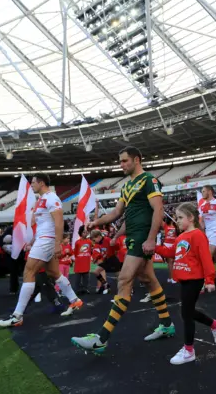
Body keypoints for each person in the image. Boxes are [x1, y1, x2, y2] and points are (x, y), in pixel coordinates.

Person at [71, 147, 175, 354]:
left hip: (142, 239)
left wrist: (152, 238)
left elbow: (158, 210)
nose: (121, 164)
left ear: (137, 159)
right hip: (133, 238)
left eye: (125, 161)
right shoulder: (127, 186)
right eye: (120, 161)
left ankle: (101, 338)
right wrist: (96, 223)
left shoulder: (149, 180)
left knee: (124, 280)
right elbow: (117, 213)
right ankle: (166, 325)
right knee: (148, 280)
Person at [0, 173, 83, 327]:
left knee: (28, 272)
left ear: (41, 183)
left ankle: (17, 316)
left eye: (33, 182)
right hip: (43, 240)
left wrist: (57, 244)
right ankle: (75, 301)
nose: (32, 185)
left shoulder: (52, 198)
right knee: (54, 273)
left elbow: (59, 222)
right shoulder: (42, 199)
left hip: (47, 241)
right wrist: (33, 241)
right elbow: (43, 224)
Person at [155, 203, 216, 365]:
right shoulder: (181, 237)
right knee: (189, 311)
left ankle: (189, 350)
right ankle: (215, 324)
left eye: (180, 217)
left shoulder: (197, 235)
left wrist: (209, 279)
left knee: (186, 314)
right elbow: (171, 252)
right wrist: (155, 248)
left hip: (194, 280)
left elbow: (206, 258)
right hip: (185, 280)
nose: (177, 221)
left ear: (191, 218)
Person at [90, 230, 112, 294]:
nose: (94, 242)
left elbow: (114, 247)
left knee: (120, 275)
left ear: (99, 236)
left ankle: (129, 289)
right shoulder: (99, 243)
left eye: (94, 240)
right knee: (97, 271)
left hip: (111, 259)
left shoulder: (107, 240)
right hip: (106, 260)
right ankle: (106, 286)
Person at [73, 228, 93, 294]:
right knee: (77, 278)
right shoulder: (77, 242)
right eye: (84, 232)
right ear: (80, 233)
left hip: (86, 262)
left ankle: (85, 288)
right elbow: (75, 252)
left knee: (86, 277)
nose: (85, 233)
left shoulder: (89, 242)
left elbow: (90, 251)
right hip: (79, 262)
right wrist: (80, 256)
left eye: (86, 232)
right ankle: (77, 289)